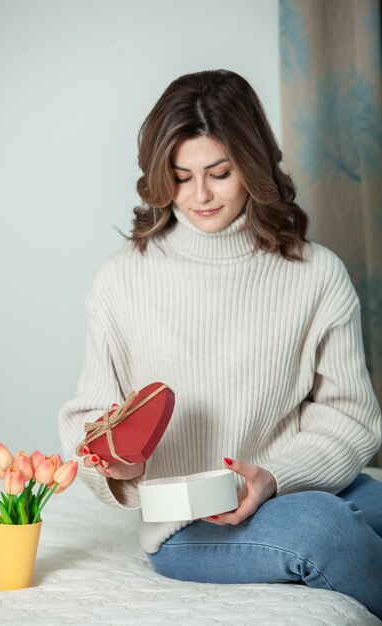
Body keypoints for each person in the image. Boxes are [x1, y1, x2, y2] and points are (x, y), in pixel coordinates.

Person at [58, 69, 382, 619]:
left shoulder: (316, 274)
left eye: (220, 173)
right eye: (180, 177)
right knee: (325, 529)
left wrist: (273, 476)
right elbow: (88, 421)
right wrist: (118, 467)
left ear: (253, 168)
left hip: (289, 484)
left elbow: (350, 418)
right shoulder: (120, 280)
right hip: (190, 522)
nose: (199, 196)